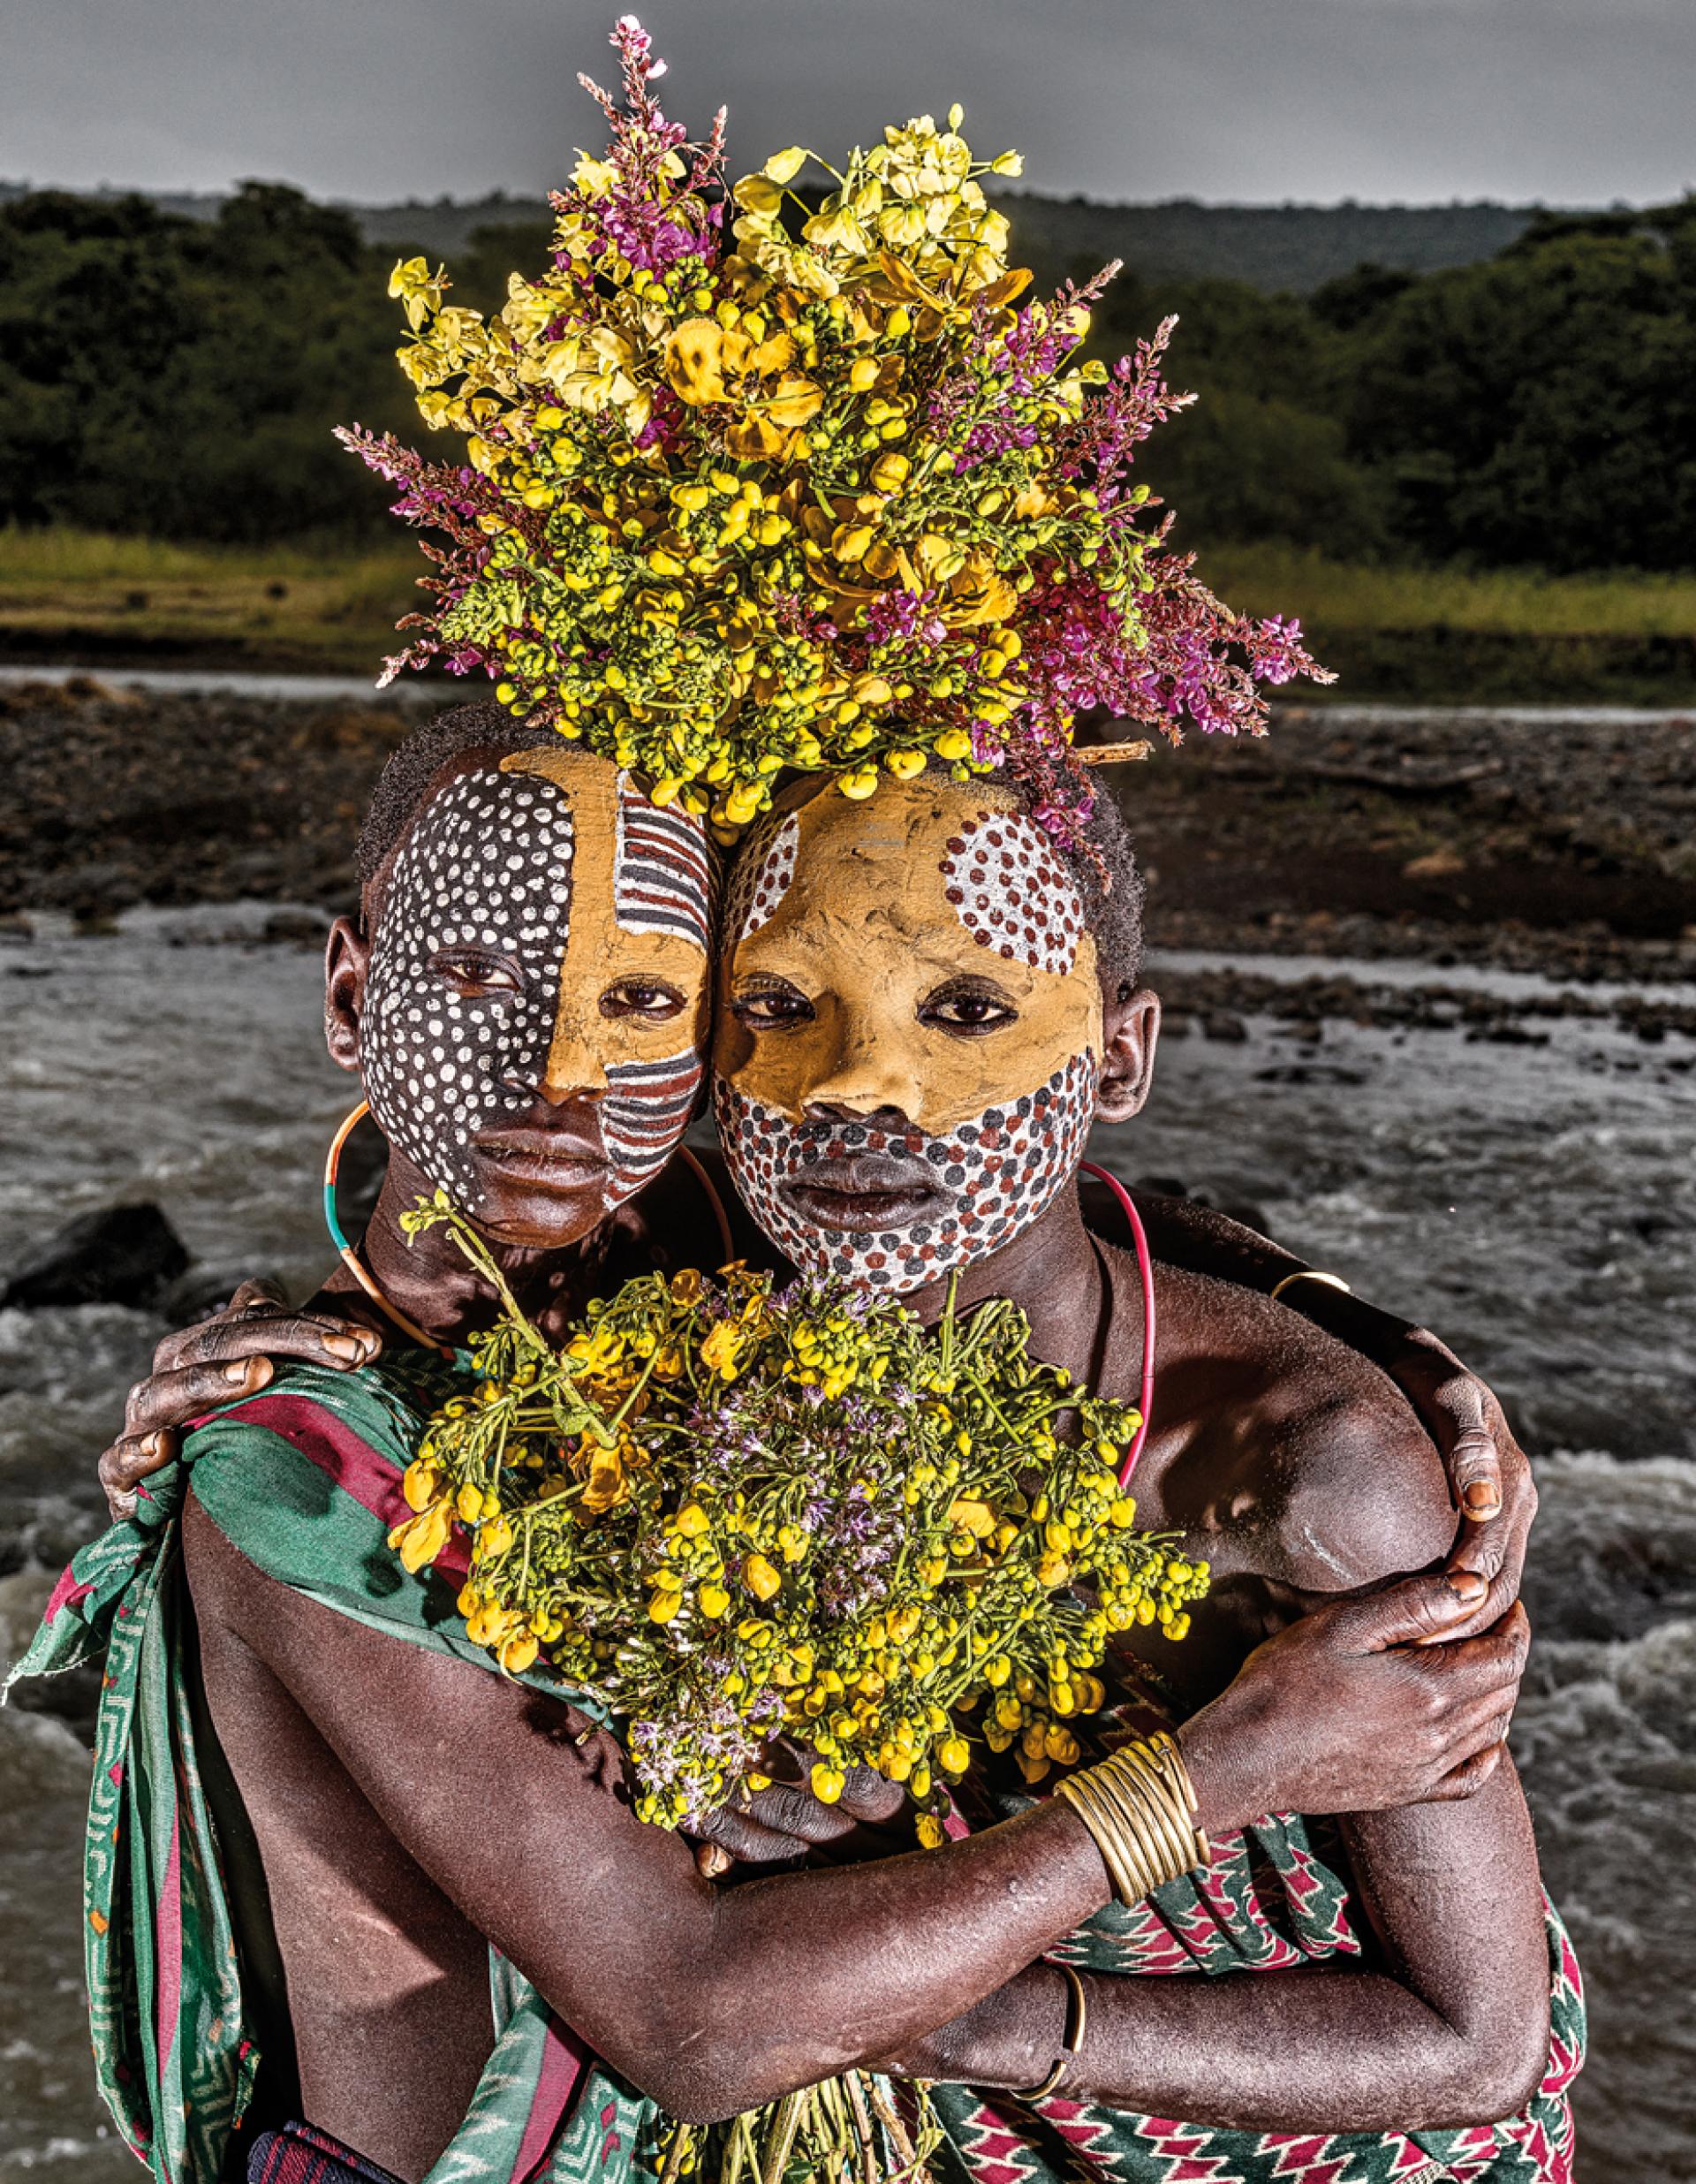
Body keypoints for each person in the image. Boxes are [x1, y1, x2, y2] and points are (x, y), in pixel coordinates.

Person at [21, 706, 1557, 2184]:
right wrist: (1201, 1787)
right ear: (355, 996)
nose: (856, 1089)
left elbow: (1475, 2045)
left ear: (1121, 1057)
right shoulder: (381, 1425)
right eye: (776, 1006)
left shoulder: (1300, 1467)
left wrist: (1370, 1343)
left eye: (964, 1012)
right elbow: (702, 2014)